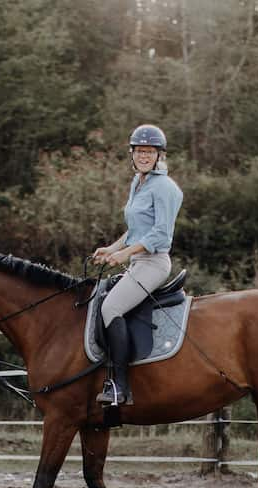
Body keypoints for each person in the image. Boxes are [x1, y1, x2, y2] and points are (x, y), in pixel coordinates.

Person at [91, 123, 184, 406]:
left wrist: (124, 255)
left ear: (159, 155)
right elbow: (135, 229)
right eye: (140, 151)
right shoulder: (138, 183)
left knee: (111, 307)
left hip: (153, 263)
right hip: (137, 260)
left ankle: (120, 387)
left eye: (150, 151)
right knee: (99, 299)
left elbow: (160, 234)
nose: (144, 156)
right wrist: (113, 248)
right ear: (132, 154)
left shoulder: (165, 188)